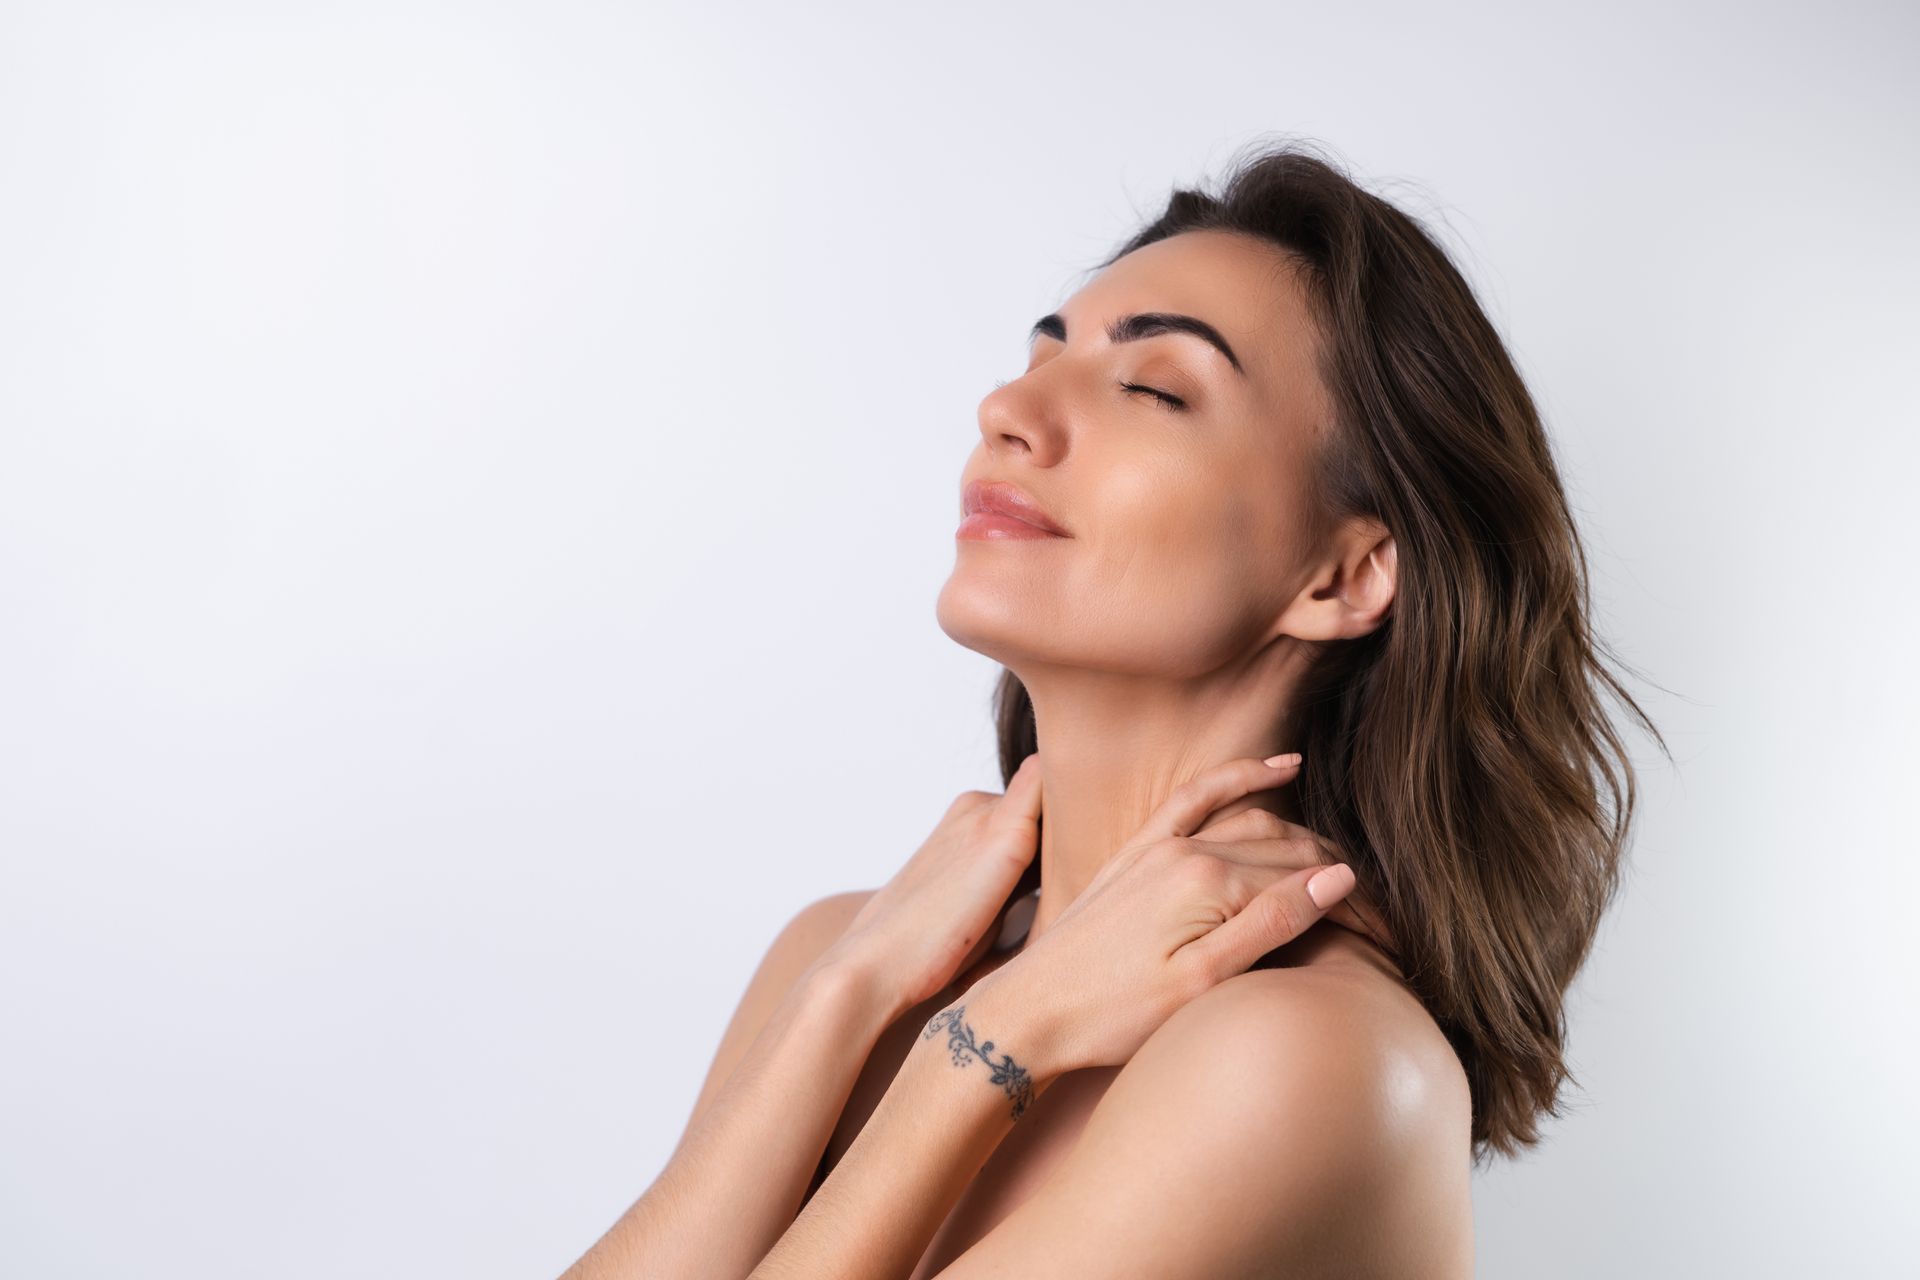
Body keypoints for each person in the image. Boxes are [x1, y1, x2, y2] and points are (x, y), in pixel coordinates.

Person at [558, 138, 1665, 1280]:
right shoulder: (847, 953)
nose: (1008, 408)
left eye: (1151, 387)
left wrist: (985, 1047)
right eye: (1040, 356)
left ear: (1343, 575)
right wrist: (844, 994)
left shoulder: (1313, 1055)